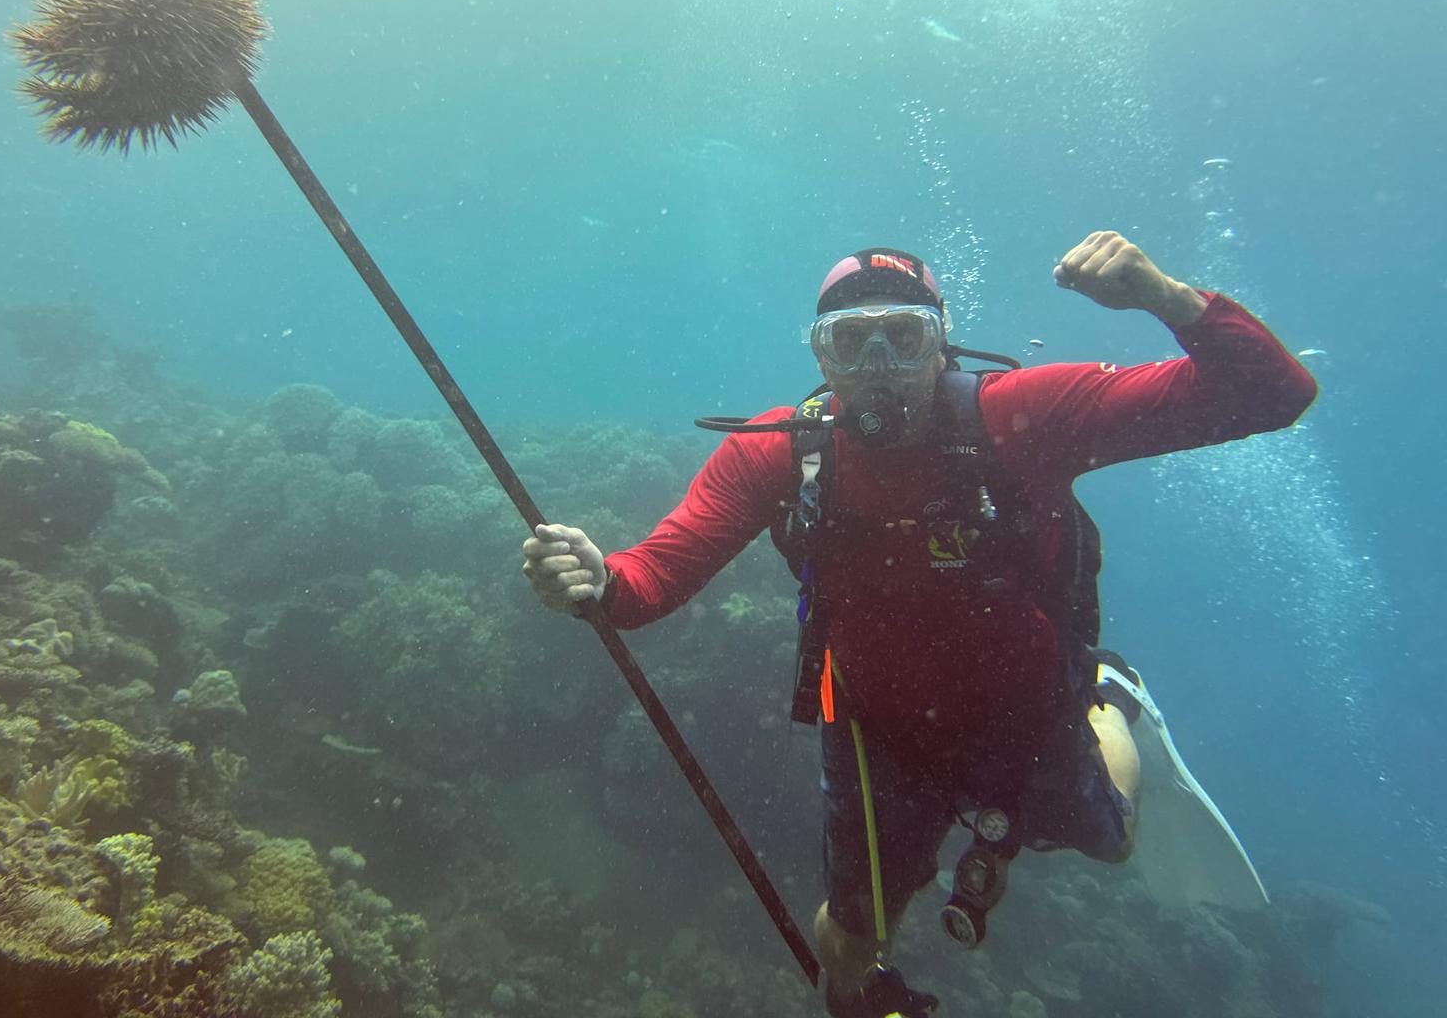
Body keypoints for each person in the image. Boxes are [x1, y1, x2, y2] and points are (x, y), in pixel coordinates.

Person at [522, 231, 1317, 1017]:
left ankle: (1114, 696)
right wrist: (600, 580)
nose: (877, 372)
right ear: (820, 358)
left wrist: (1162, 295)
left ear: (942, 346)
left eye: (903, 339)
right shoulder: (782, 453)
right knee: (853, 938)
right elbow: (654, 577)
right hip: (877, 729)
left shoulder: (1018, 416)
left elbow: (1273, 395)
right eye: (850, 343)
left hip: (1032, 705)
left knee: (1111, 839)